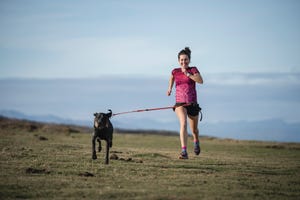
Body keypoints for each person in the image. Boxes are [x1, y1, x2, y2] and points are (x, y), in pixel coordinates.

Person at [167, 47, 203, 159]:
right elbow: (172, 78)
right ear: (179, 61)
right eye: (181, 60)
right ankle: (184, 152)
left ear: (189, 60)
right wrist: (169, 88)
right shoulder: (175, 71)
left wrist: (188, 75)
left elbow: (200, 81)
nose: (184, 62)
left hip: (192, 103)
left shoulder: (193, 70)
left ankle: (196, 141)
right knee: (183, 124)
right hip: (179, 103)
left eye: (186, 59)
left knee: (194, 130)